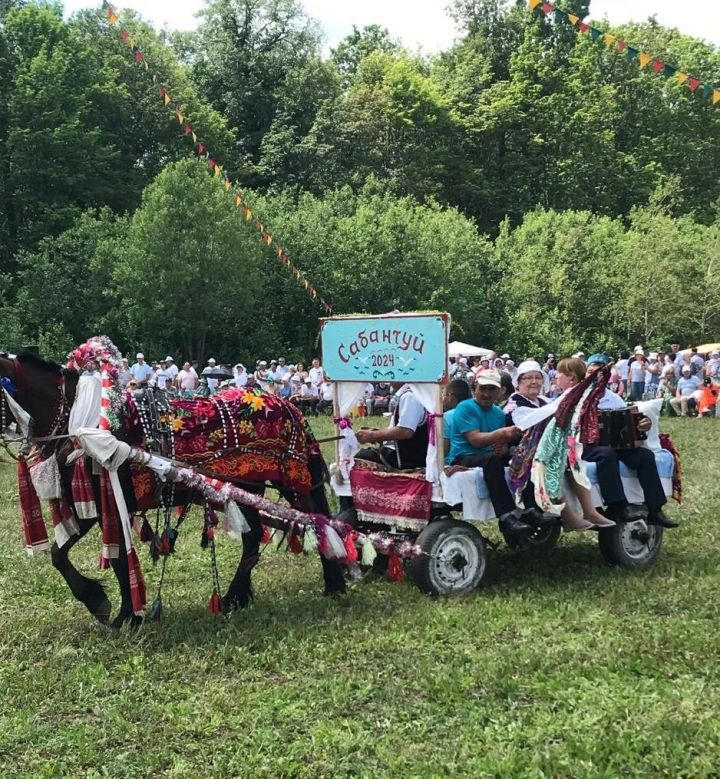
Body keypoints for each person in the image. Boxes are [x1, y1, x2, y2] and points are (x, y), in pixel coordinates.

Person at [582, 354, 677, 528]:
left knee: (645, 456)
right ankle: (618, 505)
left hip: (614, 444)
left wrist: (642, 425)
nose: (595, 377)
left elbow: (628, 422)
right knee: (606, 454)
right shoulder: (578, 397)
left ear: (607, 376)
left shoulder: (614, 398)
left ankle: (655, 509)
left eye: (600, 373)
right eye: (590, 373)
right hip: (585, 445)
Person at [446, 370, 531, 535]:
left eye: (491, 389)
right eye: (482, 389)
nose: (486, 394)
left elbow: (498, 444)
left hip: (485, 455)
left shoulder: (498, 413)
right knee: (491, 459)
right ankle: (506, 514)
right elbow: (475, 440)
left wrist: (505, 448)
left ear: (500, 392)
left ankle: (531, 507)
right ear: (474, 389)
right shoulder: (465, 407)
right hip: (462, 456)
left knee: (524, 455)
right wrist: (503, 434)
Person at [554, 358, 616, 530]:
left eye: (560, 374)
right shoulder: (564, 397)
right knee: (560, 462)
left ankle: (590, 511)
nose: (556, 377)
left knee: (570, 461)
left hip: (572, 444)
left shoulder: (575, 398)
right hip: (559, 447)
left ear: (571, 378)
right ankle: (573, 514)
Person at [355, 383, 429, 470]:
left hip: (408, 460)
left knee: (357, 458)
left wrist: (372, 435)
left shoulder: (410, 396)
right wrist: (376, 433)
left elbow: (405, 431)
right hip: (407, 455)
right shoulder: (410, 394)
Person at [441, 379, 472, 457]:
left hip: (452, 464)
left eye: (443, 394)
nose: (441, 398)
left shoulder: (446, 417)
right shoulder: (474, 412)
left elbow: (444, 450)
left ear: (450, 397)